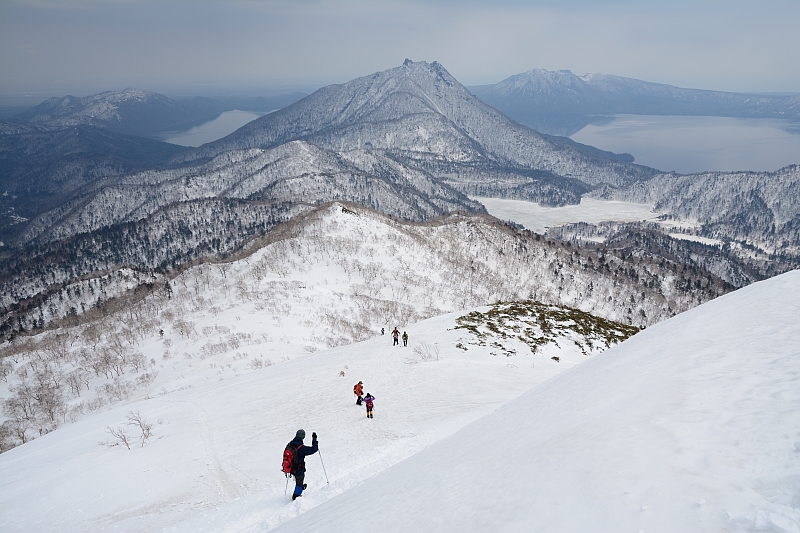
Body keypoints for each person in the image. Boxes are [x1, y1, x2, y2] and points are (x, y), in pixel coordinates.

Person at [286, 429, 318, 500]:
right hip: (298, 469)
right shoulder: (301, 448)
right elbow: (314, 449)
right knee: (299, 481)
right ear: (303, 437)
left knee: (299, 479)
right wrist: (314, 439)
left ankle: (300, 487)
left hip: (290, 467)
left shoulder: (289, 444)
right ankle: (296, 495)